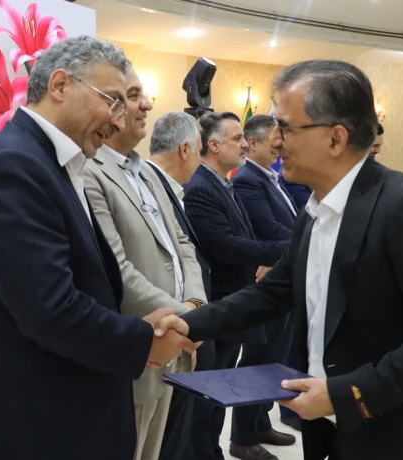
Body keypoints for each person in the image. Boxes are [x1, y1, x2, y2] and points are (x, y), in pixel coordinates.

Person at [157, 60, 403, 460]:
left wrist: (345, 395)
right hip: (333, 430)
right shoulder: (317, 210)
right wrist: (189, 323)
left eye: (285, 128)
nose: (273, 141)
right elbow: (272, 293)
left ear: (335, 138)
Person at [0, 37, 194, 460]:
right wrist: (142, 340)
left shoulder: (52, 163)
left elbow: (82, 284)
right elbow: (51, 309)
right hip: (34, 425)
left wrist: (136, 323)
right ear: (60, 85)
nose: (118, 120)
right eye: (112, 101)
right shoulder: (13, 167)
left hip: (63, 416)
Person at [83, 71, 206, 460]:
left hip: (172, 338)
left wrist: (195, 308)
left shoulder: (148, 173)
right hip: (141, 340)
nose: (148, 105)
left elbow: (182, 244)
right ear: (111, 107)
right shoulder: (90, 172)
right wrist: (185, 320)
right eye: (134, 95)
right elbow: (116, 269)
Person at [183, 111, 288, 460]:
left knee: (218, 397)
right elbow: (225, 246)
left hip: (232, 305)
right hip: (217, 304)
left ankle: (212, 451)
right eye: (236, 138)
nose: (245, 144)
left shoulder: (222, 182)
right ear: (213, 145)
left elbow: (245, 236)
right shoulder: (200, 187)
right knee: (206, 400)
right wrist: (284, 251)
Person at [145, 111, 217, 460]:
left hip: (182, 322)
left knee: (177, 433)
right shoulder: (144, 185)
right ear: (186, 149)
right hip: (158, 333)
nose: (201, 161)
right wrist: (185, 318)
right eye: (201, 150)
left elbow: (186, 252)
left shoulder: (170, 188)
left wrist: (195, 309)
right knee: (161, 440)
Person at [232, 114, 300, 437]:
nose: (280, 145)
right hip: (266, 281)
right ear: (253, 143)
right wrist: (305, 242)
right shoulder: (247, 179)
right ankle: (244, 435)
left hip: (281, 274)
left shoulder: (270, 177)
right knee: (259, 358)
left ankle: (260, 423)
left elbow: (292, 222)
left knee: (274, 357)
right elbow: (267, 229)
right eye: (274, 138)